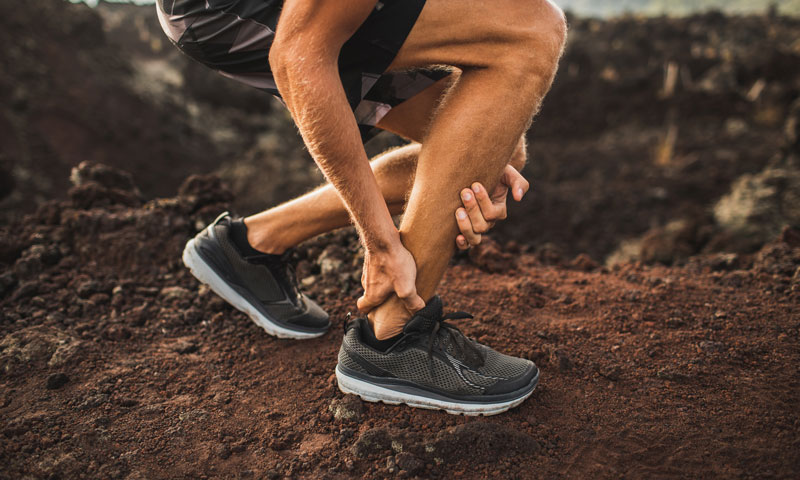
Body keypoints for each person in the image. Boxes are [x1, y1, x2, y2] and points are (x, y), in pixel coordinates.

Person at [159, 0, 567, 415]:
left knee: (492, 147)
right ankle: (392, 336)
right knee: (529, 31)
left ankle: (252, 243)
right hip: (228, 11)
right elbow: (298, 54)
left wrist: (479, 161)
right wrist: (380, 240)